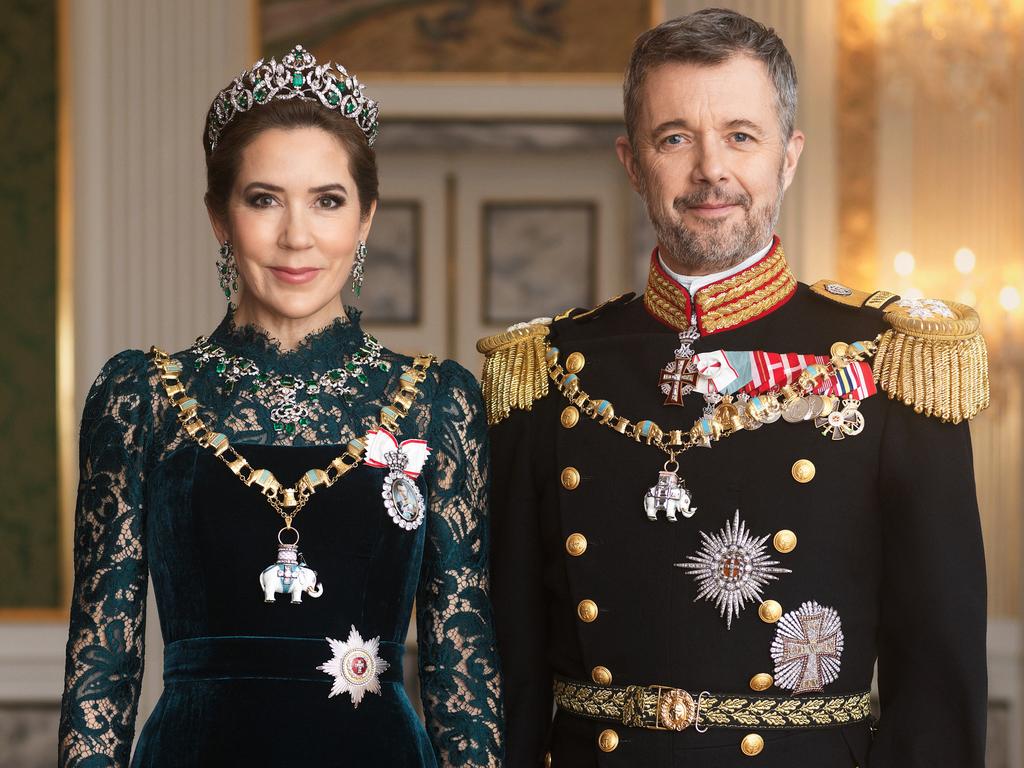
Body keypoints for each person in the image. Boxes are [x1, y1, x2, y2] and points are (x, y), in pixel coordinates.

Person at [480, 9, 988, 767]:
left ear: (789, 156)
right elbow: (511, 673)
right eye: (675, 137)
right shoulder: (548, 368)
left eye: (741, 136)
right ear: (632, 160)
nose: (710, 169)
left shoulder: (893, 360)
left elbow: (937, 684)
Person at [59, 45, 503, 767]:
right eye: (264, 199)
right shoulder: (141, 397)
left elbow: (463, 668)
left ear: (365, 220)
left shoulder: (434, 401)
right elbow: (100, 666)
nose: (298, 235)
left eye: (327, 201)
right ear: (219, 218)